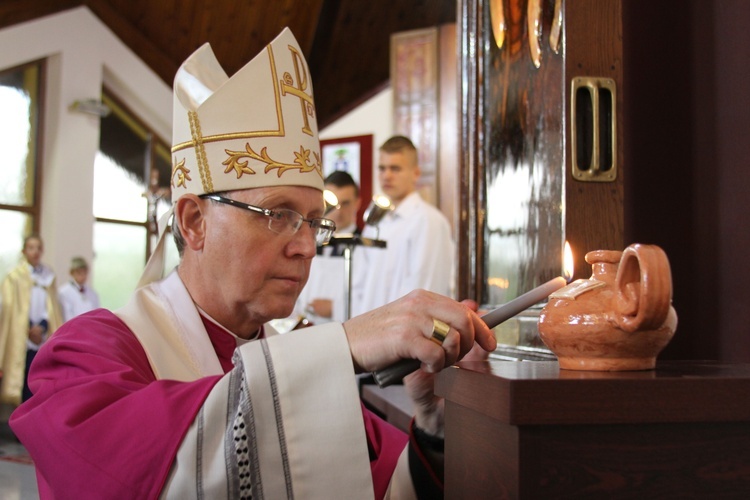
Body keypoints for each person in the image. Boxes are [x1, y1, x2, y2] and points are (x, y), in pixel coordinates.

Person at [9, 28, 496, 499]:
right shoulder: (89, 353)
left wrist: (436, 428)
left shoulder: (305, 364)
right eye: (279, 215)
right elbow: (136, 478)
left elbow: (386, 487)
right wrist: (340, 345)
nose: (306, 246)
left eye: (313, 222)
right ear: (195, 220)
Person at [350, 135, 455, 318]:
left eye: (395, 168)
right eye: (382, 168)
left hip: (405, 337)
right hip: (370, 332)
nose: (387, 175)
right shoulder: (376, 222)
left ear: (416, 173)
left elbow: (426, 290)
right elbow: (359, 285)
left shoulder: (428, 220)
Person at [0, 234, 63, 405]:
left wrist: (41, 326)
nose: (35, 252)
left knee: (37, 380)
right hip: (22, 335)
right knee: (22, 376)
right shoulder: (14, 277)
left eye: (38, 248)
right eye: (31, 248)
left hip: (41, 335)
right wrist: (27, 328)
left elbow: (51, 306)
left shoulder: (48, 276)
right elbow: (11, 308)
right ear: (24, 250)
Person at [295, 170, 361, 324]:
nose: (338, 212)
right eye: (332, 204)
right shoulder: (306, 241)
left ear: (357, 203)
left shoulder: (367, 249)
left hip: (344, 329)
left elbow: (375, 295)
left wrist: (335, 308)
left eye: (345, 203)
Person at [57, 256, 101, 322]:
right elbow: (67, 316)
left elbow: (97, 314)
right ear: (71, 273)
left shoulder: (92, 293)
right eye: (79, 273)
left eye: (85, 273)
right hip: (73, 328)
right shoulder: (64, 292)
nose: (82, 276)